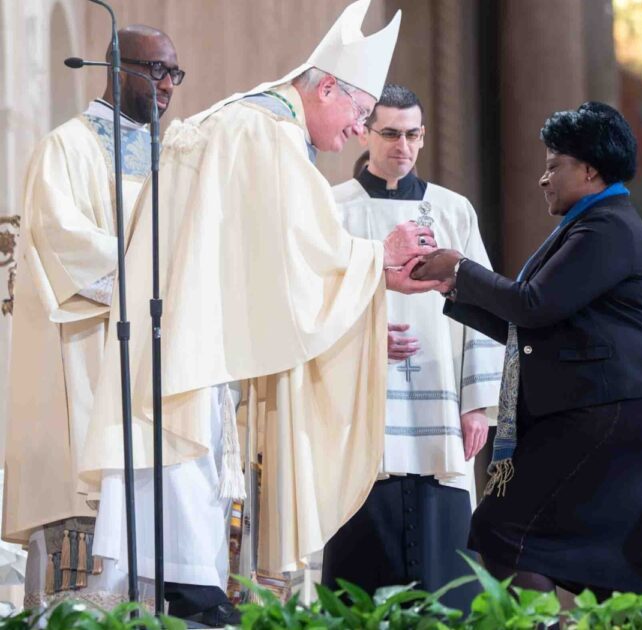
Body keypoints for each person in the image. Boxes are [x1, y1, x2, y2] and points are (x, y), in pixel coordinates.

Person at [77, 2, 442, 624]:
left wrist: (371, 271)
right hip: (188, 334)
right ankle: (190, 594)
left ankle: (183, 593)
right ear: (326, 89)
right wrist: (377, 257)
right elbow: (301, 249)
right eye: (359, 112)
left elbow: (269, 252)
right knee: (183, 458)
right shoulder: (268, 133)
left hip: (187, 325)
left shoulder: (246, 117)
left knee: (182, 460)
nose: (358, 129)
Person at [411, 102, 642, 598]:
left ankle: (538, 624)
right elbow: (533, 325)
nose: (543, 179)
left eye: (553, 165)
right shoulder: (596, 224)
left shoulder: (606, 226)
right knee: (614, 563)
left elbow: (533, 305)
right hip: (633, 404)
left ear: (589, 170)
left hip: (614, 404)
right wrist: (454, 287)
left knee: (504, 529)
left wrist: (461, 268)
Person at [3, 26, 180, 610]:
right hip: (88, 368)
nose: (167, 86)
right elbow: (66, 250)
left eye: (174, 74)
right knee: (86, 596)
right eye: (157, 71)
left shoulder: (172, 159)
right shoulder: (65, 149)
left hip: (155, 379)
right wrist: (159, 274)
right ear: (116, 67)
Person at [325, 85, 502, 610]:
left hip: (439, 401)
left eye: (412, 134)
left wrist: (477, 404)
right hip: (362, 402)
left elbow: (485, 307)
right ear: (365, 134)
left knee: (443, 562)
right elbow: (311, 301)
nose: (402, 146)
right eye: (390, 133)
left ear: (423, 137)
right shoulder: (333, 208)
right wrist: (362, 340)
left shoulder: (452, 210)